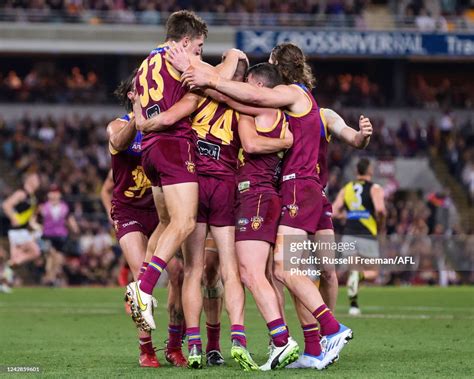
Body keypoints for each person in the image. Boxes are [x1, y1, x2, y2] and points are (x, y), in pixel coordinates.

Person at [179, 42, 353, 368]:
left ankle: (320, 331)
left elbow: (250, 118)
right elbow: (233, 98)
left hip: (274, 193)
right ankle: (311, 346)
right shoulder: (287, 110)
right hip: (282, 193)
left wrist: (206, 75)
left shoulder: (283, 98)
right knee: (280, 273)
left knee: (267, 271)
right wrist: (206, 78)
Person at [125, 11, 208, 340]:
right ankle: (143, 290)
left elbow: (143, 107)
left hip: (150, 150)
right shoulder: (178, 58)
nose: (199, 54)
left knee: (165, 222)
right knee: (185, 222)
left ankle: (142, 279)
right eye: (198, 47)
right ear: (184, 42)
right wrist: (233, 59)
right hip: (174, 144)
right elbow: (215, 76)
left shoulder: (147, 62)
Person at [288, 110, 372, 368]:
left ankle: (328, 336)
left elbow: (353, 139)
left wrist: (362, 136)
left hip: (316, 197)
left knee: (327, 271)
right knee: (296, 271)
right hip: (291, 196)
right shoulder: (276, 109)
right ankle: (312, 341)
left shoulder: (323, 114)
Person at [332, 158, 386, 316]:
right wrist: (381, 224)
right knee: (373, 272)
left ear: (357, 171)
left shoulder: (347, 188)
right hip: (367, 234)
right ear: (370, 170)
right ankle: (360, 277)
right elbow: (381, 210)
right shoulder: (375, 188)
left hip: (348, 234)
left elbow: (334, 211)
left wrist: (346, 215)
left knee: (353, 271)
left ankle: (354, 306)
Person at [39, 185, 79, 286]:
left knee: (59, 258)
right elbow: (37, 219)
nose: (54, 195)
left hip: (61, 235)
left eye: (56, 192)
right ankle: (49, 276)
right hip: (47, 235)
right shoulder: (43, 206)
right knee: (51, 255)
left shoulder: (64, 207)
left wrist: (75, 228)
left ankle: (51, 277)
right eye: (52, 192)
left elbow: (69, 218)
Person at [2, 172, 41, 267]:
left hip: (21, 230)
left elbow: (29, 215)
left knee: (31, 252)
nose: (39, 182)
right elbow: (6, 205)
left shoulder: (33, 198)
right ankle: (11, 264)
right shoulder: (21, 193)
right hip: (12, 229)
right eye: (36, 179)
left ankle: (12, 263)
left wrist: (33, 223)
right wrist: (13, 218)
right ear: (30, 180)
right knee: (34, 251)